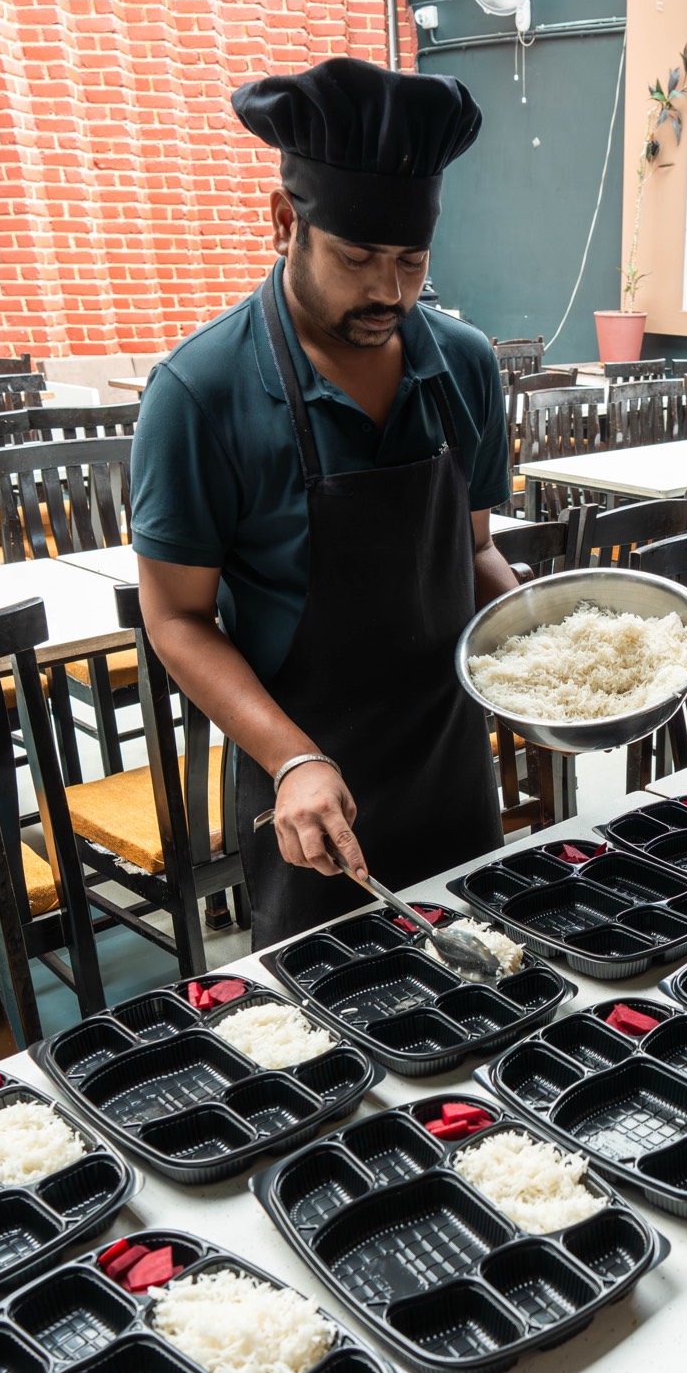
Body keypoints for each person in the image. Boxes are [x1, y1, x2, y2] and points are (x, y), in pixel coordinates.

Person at [130, 58, 516, 949]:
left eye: (411, 262)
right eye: (356, 259)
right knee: (329, 1030)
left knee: (487, 985)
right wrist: (291, 759)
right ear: (282, 223)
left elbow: (472, 552)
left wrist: (548, 645)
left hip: (451, 761)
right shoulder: (201, 391)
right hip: (303, 781)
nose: (388, 292)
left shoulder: (462, 364)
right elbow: (177, 618)